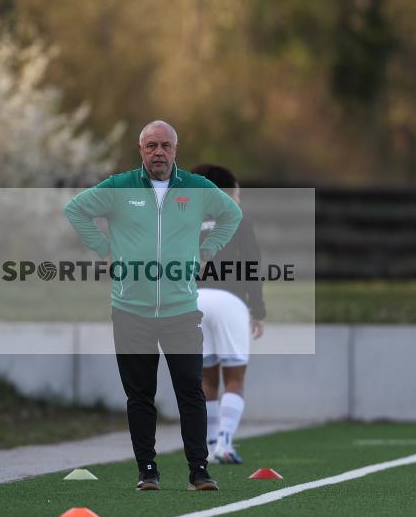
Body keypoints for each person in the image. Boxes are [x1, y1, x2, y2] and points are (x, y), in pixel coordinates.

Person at [64, 120, 242, 491]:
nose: (158, 152)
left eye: (165, 146)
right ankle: (147, 471)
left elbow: (232, 214)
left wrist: (208, 250)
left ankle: (199, 471)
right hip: (130, 310)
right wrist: (103, 250)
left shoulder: (197, 187)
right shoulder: (119, 187)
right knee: (140, 395)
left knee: (190, 391)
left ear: (175, 150)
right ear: (141, 150)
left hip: (181, 310)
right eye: (151, 146)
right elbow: (76, 209)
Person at [193, 164, 265, 464]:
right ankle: (224, 441)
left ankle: (210, 447)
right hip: (229, 300)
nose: (238, 198)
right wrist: (257, 310)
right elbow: (252, 265)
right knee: (234, 377)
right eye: (236, 191)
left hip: (194, 301)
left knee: (206, 379)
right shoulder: (237, 218)